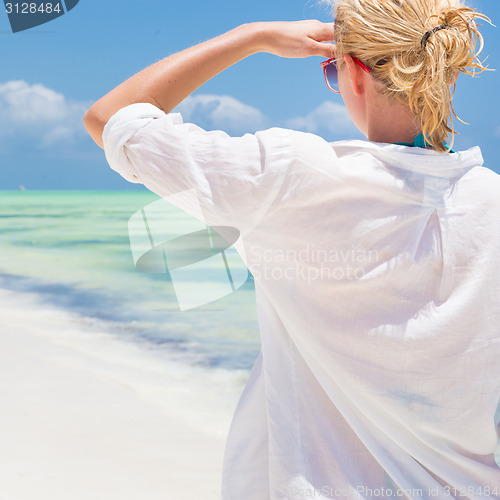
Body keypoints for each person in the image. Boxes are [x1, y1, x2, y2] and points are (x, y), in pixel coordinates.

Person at [84, 0, 500, 498]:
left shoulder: (293, 177)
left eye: (333, 69)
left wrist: (252, 35)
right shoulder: (491, 201)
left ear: (354, 72)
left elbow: (112, 118)